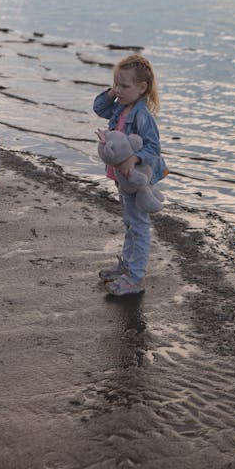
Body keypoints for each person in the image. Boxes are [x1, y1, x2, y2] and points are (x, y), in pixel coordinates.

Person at [94, 54, 167, 296]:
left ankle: (135, 278)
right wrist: (110, 93)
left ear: (142, 87)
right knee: (129, 222)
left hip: (137, 178)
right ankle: (126, 265)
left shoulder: (142, 115)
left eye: (124, 86)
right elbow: (99, 108)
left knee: (139, 225)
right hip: (122, 178)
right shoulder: (120, 107)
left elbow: (153, 148)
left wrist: (134, 158)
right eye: (116, 84)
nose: (119, 90)